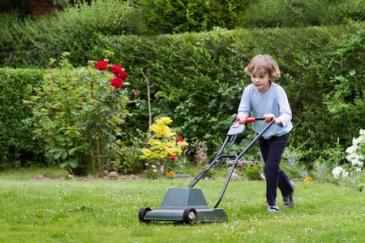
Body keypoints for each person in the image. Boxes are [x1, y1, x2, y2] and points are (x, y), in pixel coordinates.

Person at [237, 54, 294, 213]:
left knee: (269, 167)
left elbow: (287, 115)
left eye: (261, 77)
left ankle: (272, 202)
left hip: (279, 133)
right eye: (254, 76)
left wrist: (275, 119)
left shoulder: (277, 91)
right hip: (262, 133)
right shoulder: (249, 91)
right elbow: (243, 110)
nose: (256, 80)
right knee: (271, 167)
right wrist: (242, 116)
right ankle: (288, 189)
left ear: (270, 76)